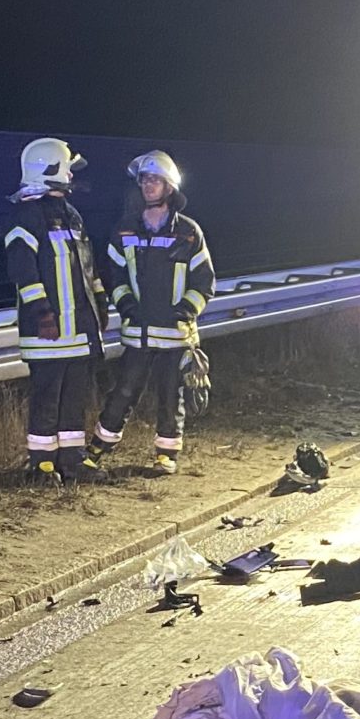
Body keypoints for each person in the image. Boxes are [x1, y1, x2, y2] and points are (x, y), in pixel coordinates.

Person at [90, 149, 214, 475]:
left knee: (171, 396)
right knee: (123, 392)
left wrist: (186, 310)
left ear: (169, 187)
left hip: (175, 334)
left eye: (154, 180)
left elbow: (204, 282)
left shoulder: (188, 232)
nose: (147, 185)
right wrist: (126, 304)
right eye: (144, 180)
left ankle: (166, 455)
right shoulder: (125, 230)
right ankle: (97, 448)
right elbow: (114, 275)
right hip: (139, 332)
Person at [2, 137, 108, 481]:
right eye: (68, 169)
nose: (72, 176)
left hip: (78, 331)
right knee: (46, 399)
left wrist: (100, 304)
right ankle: (42, 464)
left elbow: (87, 267)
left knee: (74, 399)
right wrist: (43, 315)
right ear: (52, 169)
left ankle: (72, 460)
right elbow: (23, 272)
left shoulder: (71, 216)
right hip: (47, 333)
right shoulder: (27, 216)